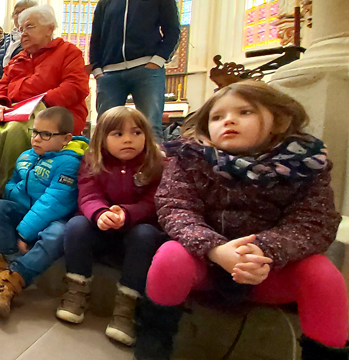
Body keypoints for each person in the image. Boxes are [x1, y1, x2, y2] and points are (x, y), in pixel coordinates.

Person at [138, 81, 348, 360]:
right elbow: (175, 208)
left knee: (322, 275)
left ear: (280, 121)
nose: (229, 121)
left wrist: (263, 250)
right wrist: (215, 249)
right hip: (206, 263)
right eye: (217, 117)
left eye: (245, 112)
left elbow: (314, 221)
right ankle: (153, 346)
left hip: (268, 269)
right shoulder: (189, 158)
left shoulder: (305, 165)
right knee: (170, 256)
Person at [58, 106, 165, 347]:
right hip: (101, 228)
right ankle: (76, 291)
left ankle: (126, 308)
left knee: (146, 234)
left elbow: (154, 201)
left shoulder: (156, 162)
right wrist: (100, 214)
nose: (128, 139)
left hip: (136, 231)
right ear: (102, 139)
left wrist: (127, 213)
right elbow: (87, 194)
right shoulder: (92, 160)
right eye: (117, 134)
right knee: (76, 226)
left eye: (136, 132)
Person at [0, 107, 89, 318]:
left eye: (46, 134)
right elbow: (13, 181)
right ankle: (6, 267)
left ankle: (14, 279)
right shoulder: (26, 155)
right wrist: (13, 192)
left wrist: (24, 232)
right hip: (26, 210)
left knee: (58, 234)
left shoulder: (69, 162)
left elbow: (54, 201)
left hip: (54, 218)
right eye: (34, 132)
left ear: (66, 138)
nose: (36, 139)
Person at [0, 5, 90, 188]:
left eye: (30, 27)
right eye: (21, 29)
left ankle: (6, 188)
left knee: (15, 130)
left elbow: (75, 87)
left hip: (57, 115)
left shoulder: (68, 52)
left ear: (49, 29)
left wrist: (38, 104)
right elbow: (1, 86)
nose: (23, 33)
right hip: (15, 112)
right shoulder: (18, 59)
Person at [90, 0, 181, 140]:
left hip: (146, 70)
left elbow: (173, 30)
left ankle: (152, 171)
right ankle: (102, 171)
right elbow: (96, 39)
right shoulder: (106, 2)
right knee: (106, 129)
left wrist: (157, 60)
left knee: (150, 127)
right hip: (110, 75)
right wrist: (97, 70)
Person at [0, 0, 37, 67]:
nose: (19, 16)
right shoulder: (4, 40)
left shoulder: (37, 40)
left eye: (23, 12)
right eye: (16, 13)